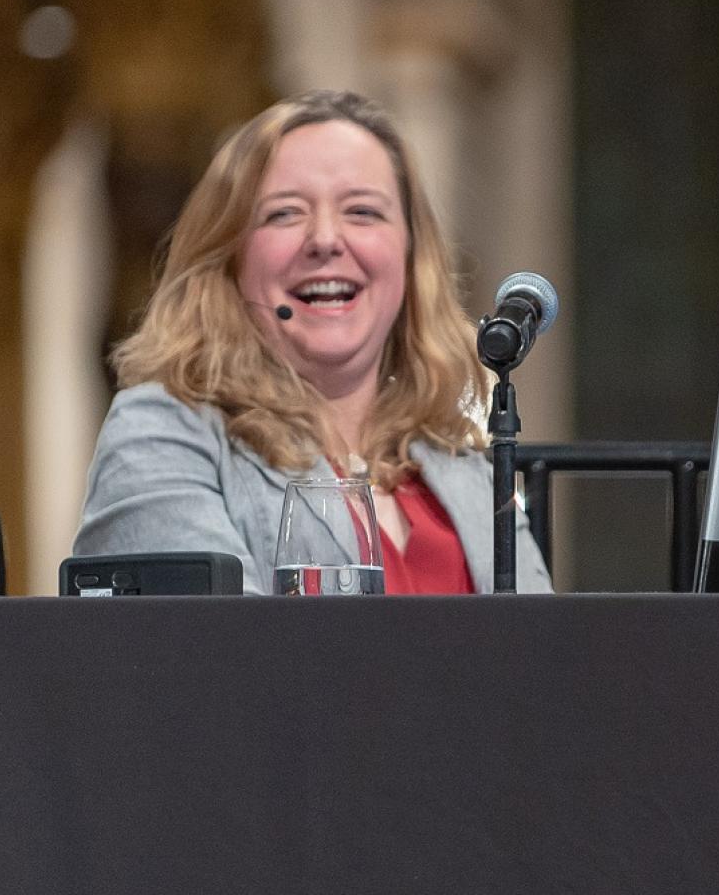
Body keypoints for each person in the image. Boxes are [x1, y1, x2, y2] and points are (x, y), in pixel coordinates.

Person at [74, 90, 552, 594]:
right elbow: (219, 660)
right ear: (227, 258)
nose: (325, 238)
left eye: (362, 212)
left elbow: (548, 657)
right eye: (284, 213)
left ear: (412, 261)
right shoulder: (160, 434)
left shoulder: (458, 463)